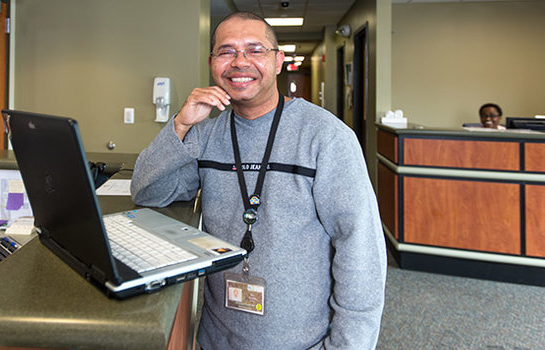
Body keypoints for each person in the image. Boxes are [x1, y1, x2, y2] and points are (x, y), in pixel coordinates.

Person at [131, 12, 387, 350]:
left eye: (255, 50)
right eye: (226, 51)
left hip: (301, 340)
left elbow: (361, 249)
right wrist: (180, 124)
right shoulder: (207, 133)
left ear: (278, 61)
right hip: (216, 337)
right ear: (212, 64)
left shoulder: (326, 137)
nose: (240, 62)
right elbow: (148, 191)